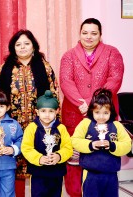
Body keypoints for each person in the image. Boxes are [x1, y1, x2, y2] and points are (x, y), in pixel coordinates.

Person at [59, 18, 124, 197]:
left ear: (100, 35)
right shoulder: (69, 55)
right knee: (74, 158)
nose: (89, 37)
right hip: (74, 112)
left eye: (94, 33)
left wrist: (93, 102)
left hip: (104, 113)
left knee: (103, 154)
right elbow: (65, 81)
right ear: (79, 34)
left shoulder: (112, 53)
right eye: (85, 32)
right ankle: (75, 193)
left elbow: (115, 79)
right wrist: (83, 103)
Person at [0, 29, 59, 193]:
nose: (22, 47)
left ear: (34, 46)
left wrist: (54, 123)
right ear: (13, 48)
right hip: (12, 126)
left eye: (26, 43)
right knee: (14, 169)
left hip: (39, 125)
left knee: (39, 164)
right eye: (18, 44)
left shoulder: (44, 67)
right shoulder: (5, 68)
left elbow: (54, 96)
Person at [71, 88, 131, 197]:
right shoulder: (86, 123)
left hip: (111, 175)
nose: (101, 116)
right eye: (97, 112)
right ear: (91, 111)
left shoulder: (116, 125)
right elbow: (75, 141)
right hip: (90, 175)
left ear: (111, 112)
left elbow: (127, 145)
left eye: (105, 113)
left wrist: (112, 146)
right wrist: (91, 145)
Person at [21, 90, 73, 197]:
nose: (47, 115)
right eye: (43, 111)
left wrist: (59, 156)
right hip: (38, 173)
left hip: (56, 174)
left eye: (51, 111)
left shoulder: (61, 128)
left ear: (57, 111)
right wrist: (39, 158)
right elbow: (26, 148)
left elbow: (68, 148)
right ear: (37, 111)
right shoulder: (32, 128)